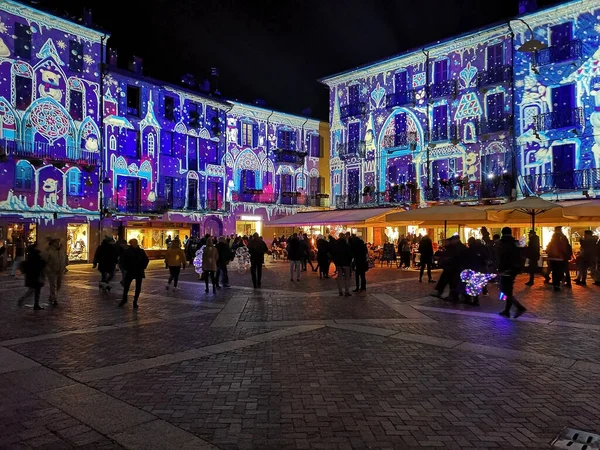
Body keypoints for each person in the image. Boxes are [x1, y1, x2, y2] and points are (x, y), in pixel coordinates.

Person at [497, 227, 526, 318]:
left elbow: (501, 258)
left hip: (506, 270)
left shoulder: (502, 243)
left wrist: (499, 269)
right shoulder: (515, 243)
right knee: (507, 290)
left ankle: (519, 307)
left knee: (505, 290)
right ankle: (507, 310)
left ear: (502, 233)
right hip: (514, 269)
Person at [119, 239, 149, 308]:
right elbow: (123, 261)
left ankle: (132, 301)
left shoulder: (139, 251)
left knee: (134, 287)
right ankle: (128, 300)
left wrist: (142, 267)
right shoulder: (132, 251)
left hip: (135, 271)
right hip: (133, 271)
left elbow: (146, 260)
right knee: (128, 286)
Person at [17, 243, 46, 310]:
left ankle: (36, 304)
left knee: (35, 290)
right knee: (33, 290)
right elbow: (40, 264)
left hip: (32, 276)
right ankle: (22, 300)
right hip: (35, 275)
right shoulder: (35, 255)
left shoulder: (30, 255)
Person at [546, 226, 571, 292]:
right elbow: (565, 247)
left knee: (554, 271)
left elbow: (548, 248)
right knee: (561, 271)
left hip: (553, 258)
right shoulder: (563, 237)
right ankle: (562, 283)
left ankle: (555, 284)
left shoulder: (553, 239)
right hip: (561, 258)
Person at [43, 238, 65, 306]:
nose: (58, 243)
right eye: (56, 242)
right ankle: (54, 299)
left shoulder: (61, 250)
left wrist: (65, 265)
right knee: (53, 285)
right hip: (52, 271)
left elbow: (64, 258)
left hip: (60, 270)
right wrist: (47, 269)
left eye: (59, 242)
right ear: (53, 243)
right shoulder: (48, 251)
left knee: (59, 285)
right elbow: (44, 261)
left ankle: (51, 297)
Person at [333, 232, 353, 297]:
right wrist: (350, 260)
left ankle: (340, 291)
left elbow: (334, 254)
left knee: (339, 277)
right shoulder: (346, 244)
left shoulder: (336, 244)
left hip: (339, 263)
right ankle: (346, 291)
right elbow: (349, 253)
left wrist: (336, 262)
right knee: (347, 277)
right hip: (346, 263)